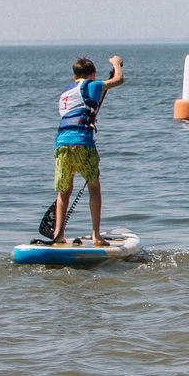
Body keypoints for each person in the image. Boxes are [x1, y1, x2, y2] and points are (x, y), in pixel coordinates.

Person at [49, 54, 124, 245]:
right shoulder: (92, 84)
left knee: (64, 191)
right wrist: (116, 64)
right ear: (92, 75)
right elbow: (118, 80)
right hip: (82, 142)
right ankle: (96, 235)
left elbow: (79, 110)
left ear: (74, 76)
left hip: (62, 144)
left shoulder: (66, 92)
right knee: (94, 187)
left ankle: (58, 234)